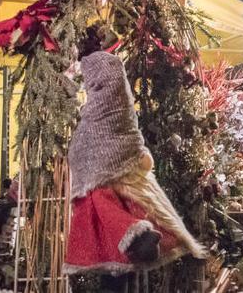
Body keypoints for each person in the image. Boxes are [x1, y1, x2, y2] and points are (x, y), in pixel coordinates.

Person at [64, 24, 206, 282]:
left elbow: (90, 143)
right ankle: (137, 239)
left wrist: (85, 163)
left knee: (101, 203)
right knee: (113, 206)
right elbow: (125, 130)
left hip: (104, 181)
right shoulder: (119, 100)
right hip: (126, 172)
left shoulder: (99, 108)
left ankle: (137, 239)